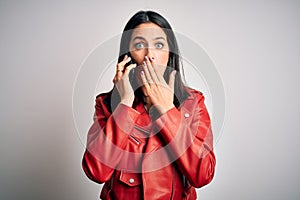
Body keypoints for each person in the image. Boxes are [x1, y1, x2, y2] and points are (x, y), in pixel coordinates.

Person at [82, 10, 216, 200]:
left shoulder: (193, 103)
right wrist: (125, 102)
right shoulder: (106, 104)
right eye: (139, 45)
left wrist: (167, 110)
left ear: (170, 53)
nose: (149, 55)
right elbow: (96, 171)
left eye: (159, 45)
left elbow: (202, 175)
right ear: (127, 55)